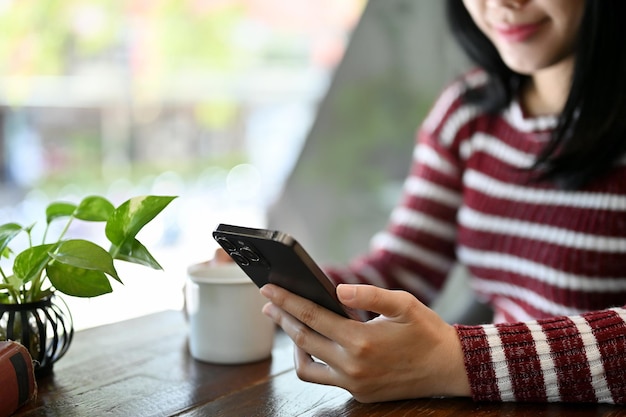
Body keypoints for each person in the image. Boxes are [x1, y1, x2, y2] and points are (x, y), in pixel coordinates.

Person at [258, 0, 626, 405]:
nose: (503, 4)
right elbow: (402, 270)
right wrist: (278, 286)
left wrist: (456, 361)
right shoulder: (469, 113)